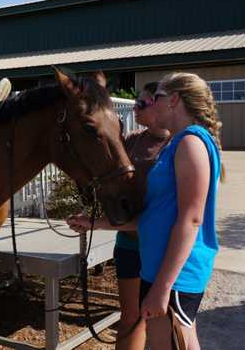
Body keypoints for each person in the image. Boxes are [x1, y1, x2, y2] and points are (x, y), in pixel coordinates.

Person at [69, 73, 223, 350]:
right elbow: (155, 217)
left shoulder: (191, 143)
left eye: (157, 98)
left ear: (174, 100)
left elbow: (191, 220)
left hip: (175, 275)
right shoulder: (176, 144)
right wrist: (98, 223)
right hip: (159, 268)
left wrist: (162, 288)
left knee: (174, 343)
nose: (151, 104)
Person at [69, 82, 171, 350]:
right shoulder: (132, 141)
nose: (134, 108)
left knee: (166, 320)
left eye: (141, 104)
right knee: (131, 317)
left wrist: (96, 224)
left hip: (161, 245)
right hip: (129, 242)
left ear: (160, 105)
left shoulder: (178, 145)